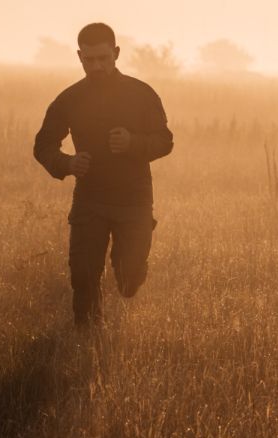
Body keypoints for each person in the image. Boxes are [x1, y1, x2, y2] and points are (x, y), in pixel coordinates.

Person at [33, 23, 173, 326]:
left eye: (103, 59)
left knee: (128, 279)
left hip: (134, 201)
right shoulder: (69, 99)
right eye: (89, 60)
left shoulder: (142, 94)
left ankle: (128, 272)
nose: (96, 66)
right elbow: (43, 145)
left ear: (116, 54)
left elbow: (165, 141)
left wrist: (134, 143)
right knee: (83, 275)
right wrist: (67, 163)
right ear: (79, 57)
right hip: (89, 200)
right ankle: (87, 339)